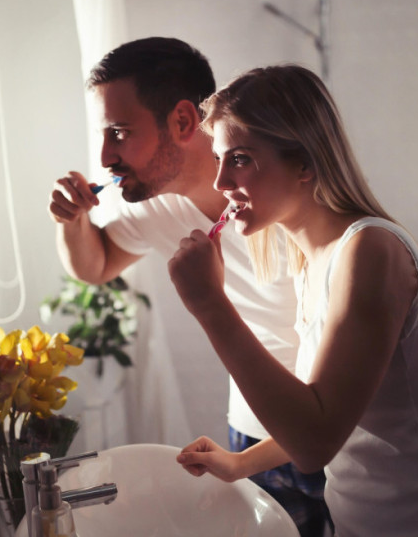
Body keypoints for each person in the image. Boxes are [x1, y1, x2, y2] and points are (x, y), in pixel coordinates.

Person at [168, 65, 418, 536]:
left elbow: (315, 443)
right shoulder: (313, 261)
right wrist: (239, 462)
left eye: (240, 158)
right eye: (219, 159)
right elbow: (332, 410)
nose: (220, 182)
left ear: (305, 164)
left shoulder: (370, 250)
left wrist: (210, 305)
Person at [47, 38, 332, 536]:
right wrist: (72, 222)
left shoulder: (284, 199)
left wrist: (207, 301)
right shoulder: (156, 205)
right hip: (248, 432)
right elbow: (96, 266)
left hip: (325, 426)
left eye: (119, 132)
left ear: (182, 121)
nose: (105, 155)